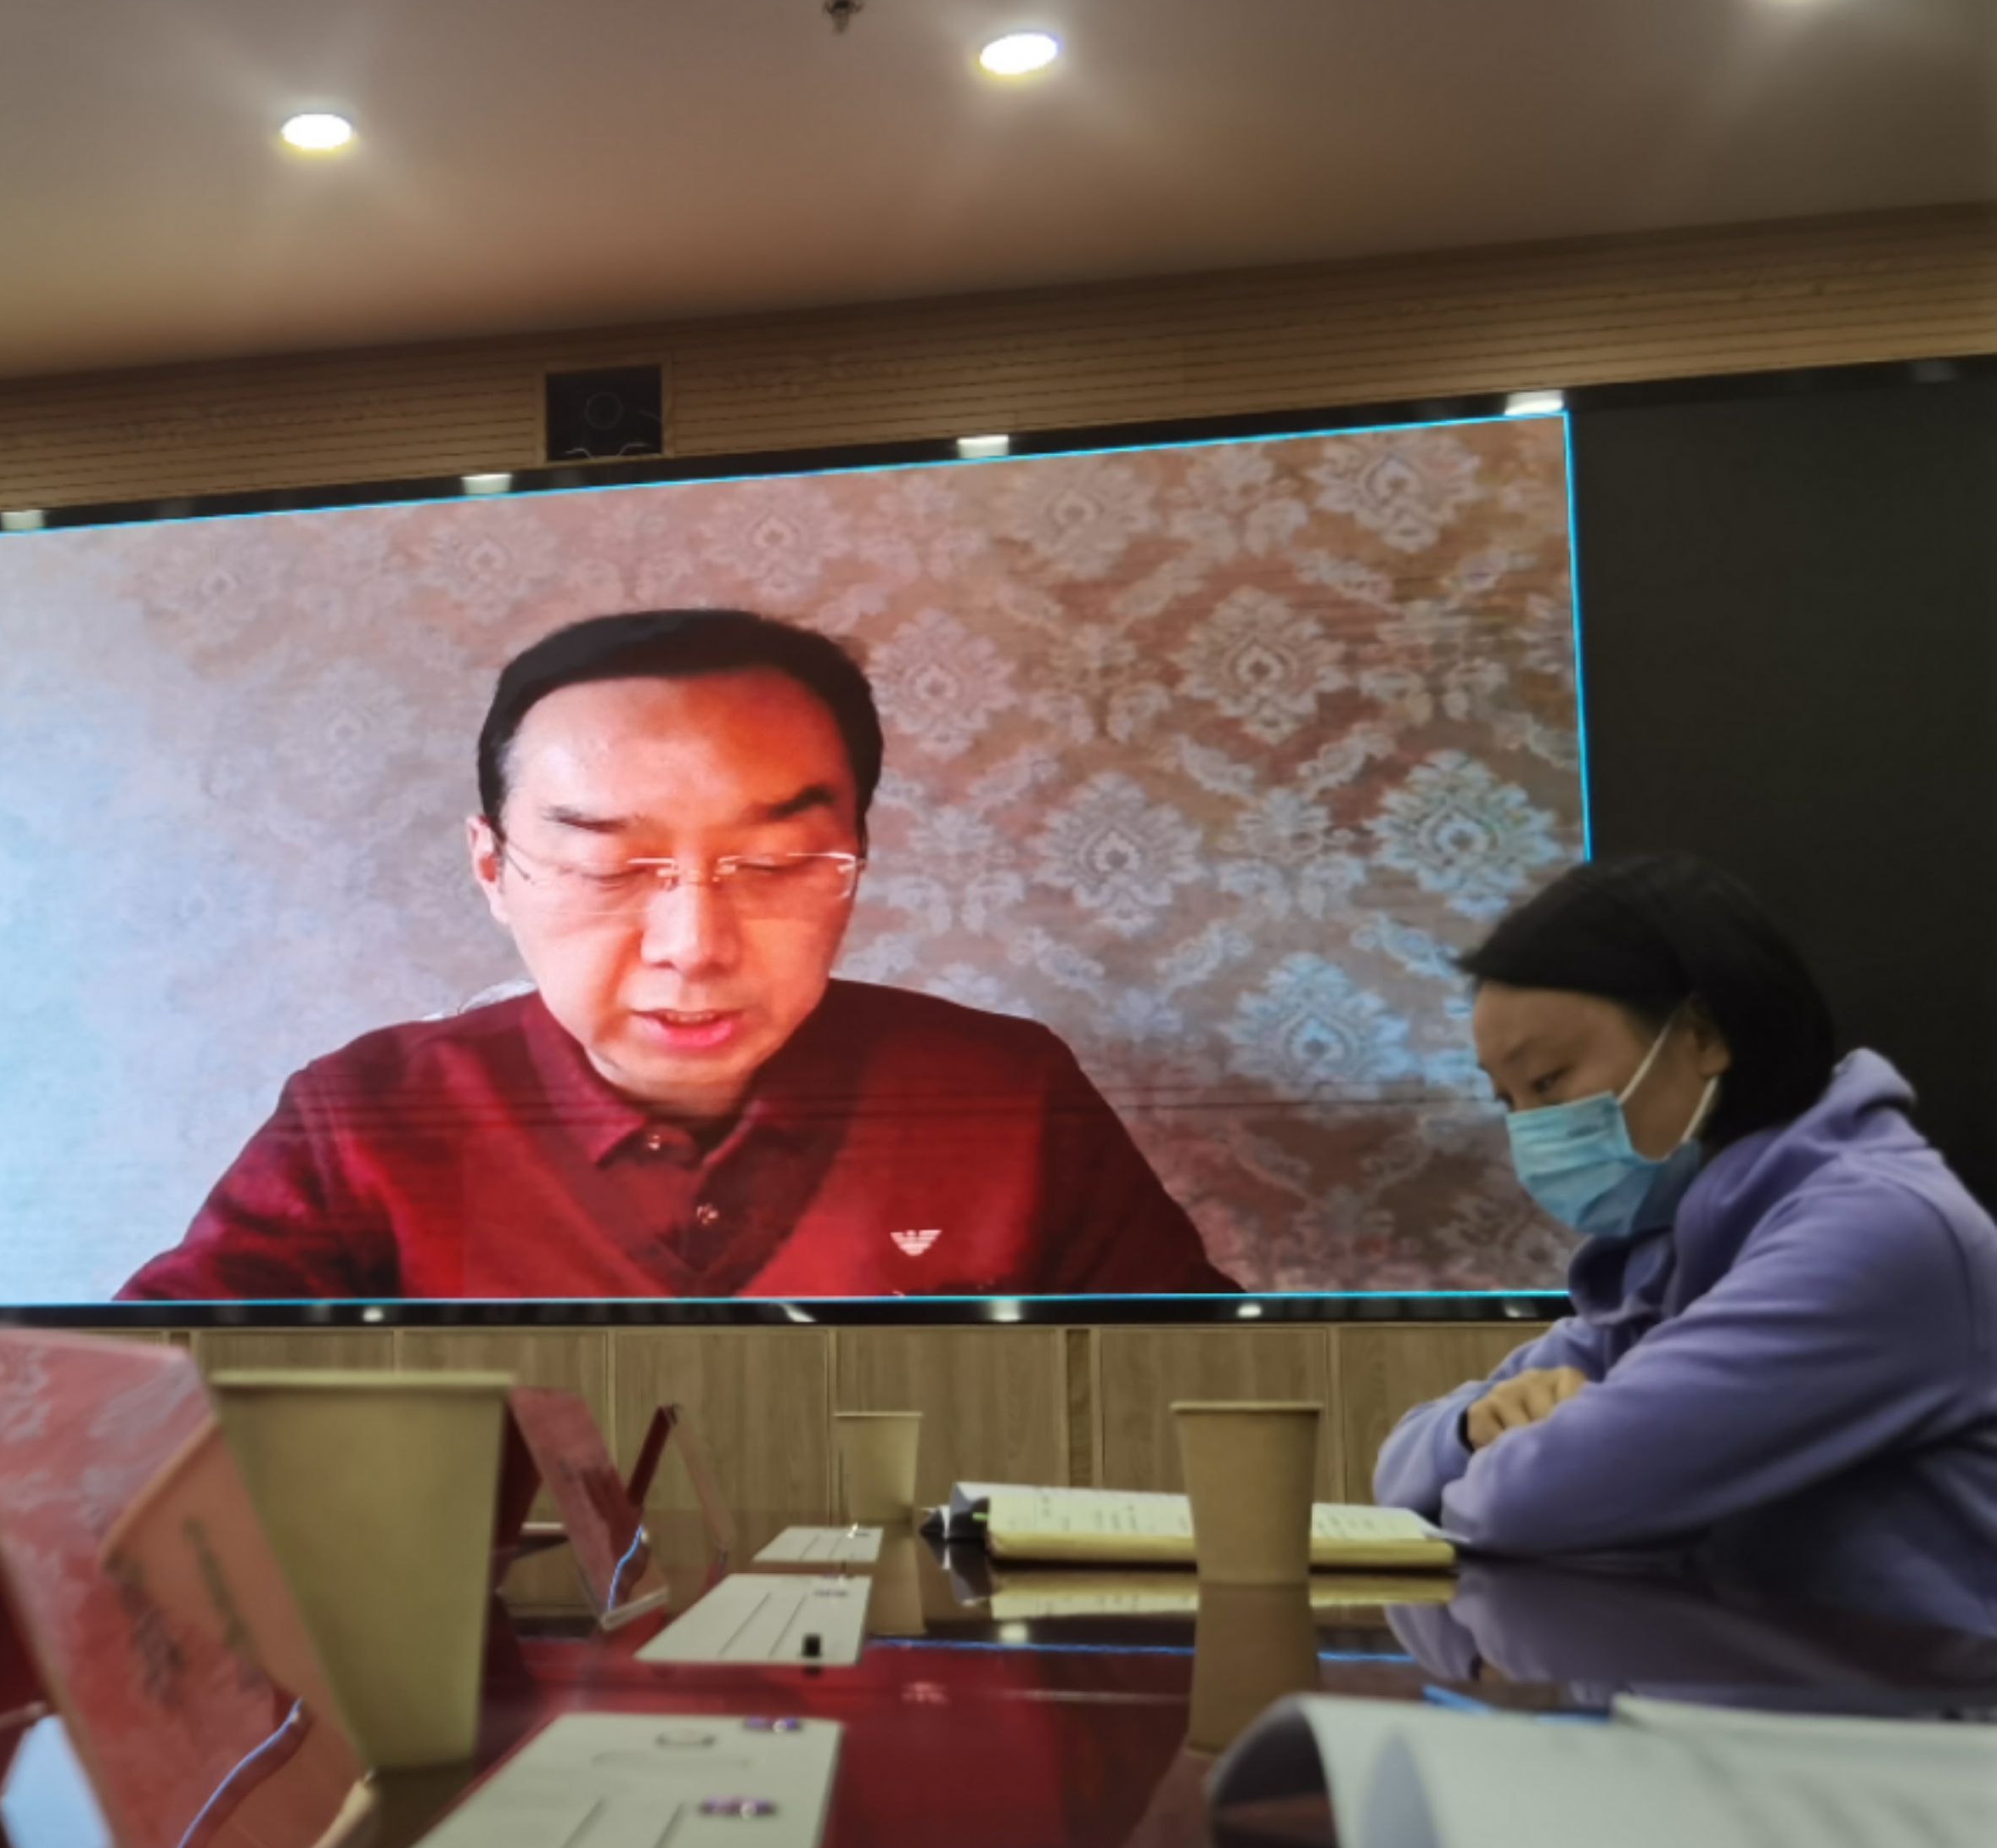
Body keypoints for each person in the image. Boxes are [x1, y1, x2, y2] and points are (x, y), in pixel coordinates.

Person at [121, 609, 1232, 1300]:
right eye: (608, 867)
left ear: (855, 859)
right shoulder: (368, 1117)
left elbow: (1184, 1399)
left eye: (776, 864)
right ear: (492, 869)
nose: (694, 947)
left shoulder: (1003, 1098)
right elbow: (144, 1419)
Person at [1372, 855, 1997, 1634]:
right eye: (1509, 1100)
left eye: (1550, 1081)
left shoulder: (1876, 1231)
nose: (1531, 1128)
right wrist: (1473, 1427)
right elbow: (1399, 1475)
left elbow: (1546, 1502)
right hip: (1737, 1696)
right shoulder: (1675, 1245)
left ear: (1703, 1035)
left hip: (1909, 1704)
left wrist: (1516, 1461)